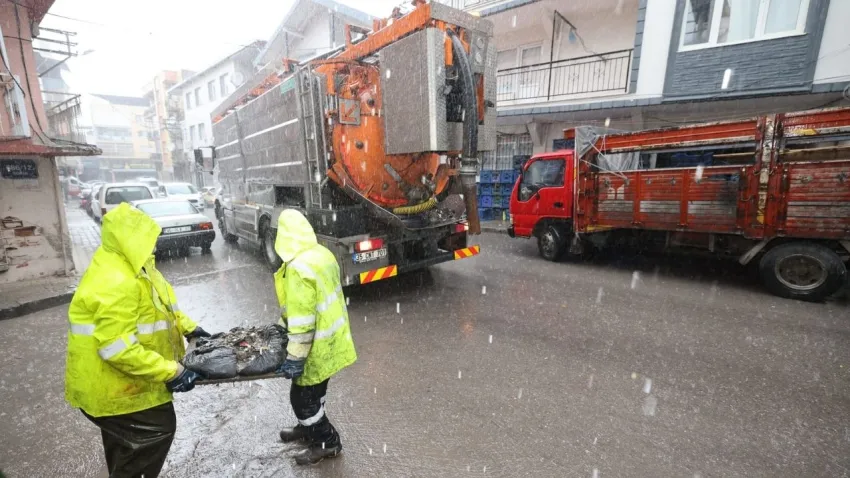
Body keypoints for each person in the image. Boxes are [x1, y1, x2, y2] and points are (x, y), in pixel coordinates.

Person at [65, 203, 212, 478]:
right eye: (148, 238)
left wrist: (191, 329)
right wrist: (173, 372)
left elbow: (164, 307)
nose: (154, 244)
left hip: (125, 382)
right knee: (156, 431)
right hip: (114, 387)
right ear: (130, 239)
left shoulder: (138, 266)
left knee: (127, 446)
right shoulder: (116, 281)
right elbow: (117, 349)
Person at [273, 209, 357, 465]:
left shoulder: (298, 268)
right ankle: (308, 428)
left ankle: (327, 443)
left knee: (302, 399)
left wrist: (295, 357)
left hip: (315, 348)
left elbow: (303, 321)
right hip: (332, 340)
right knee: (316, 391)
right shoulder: (321, 254)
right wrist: (281, 325)